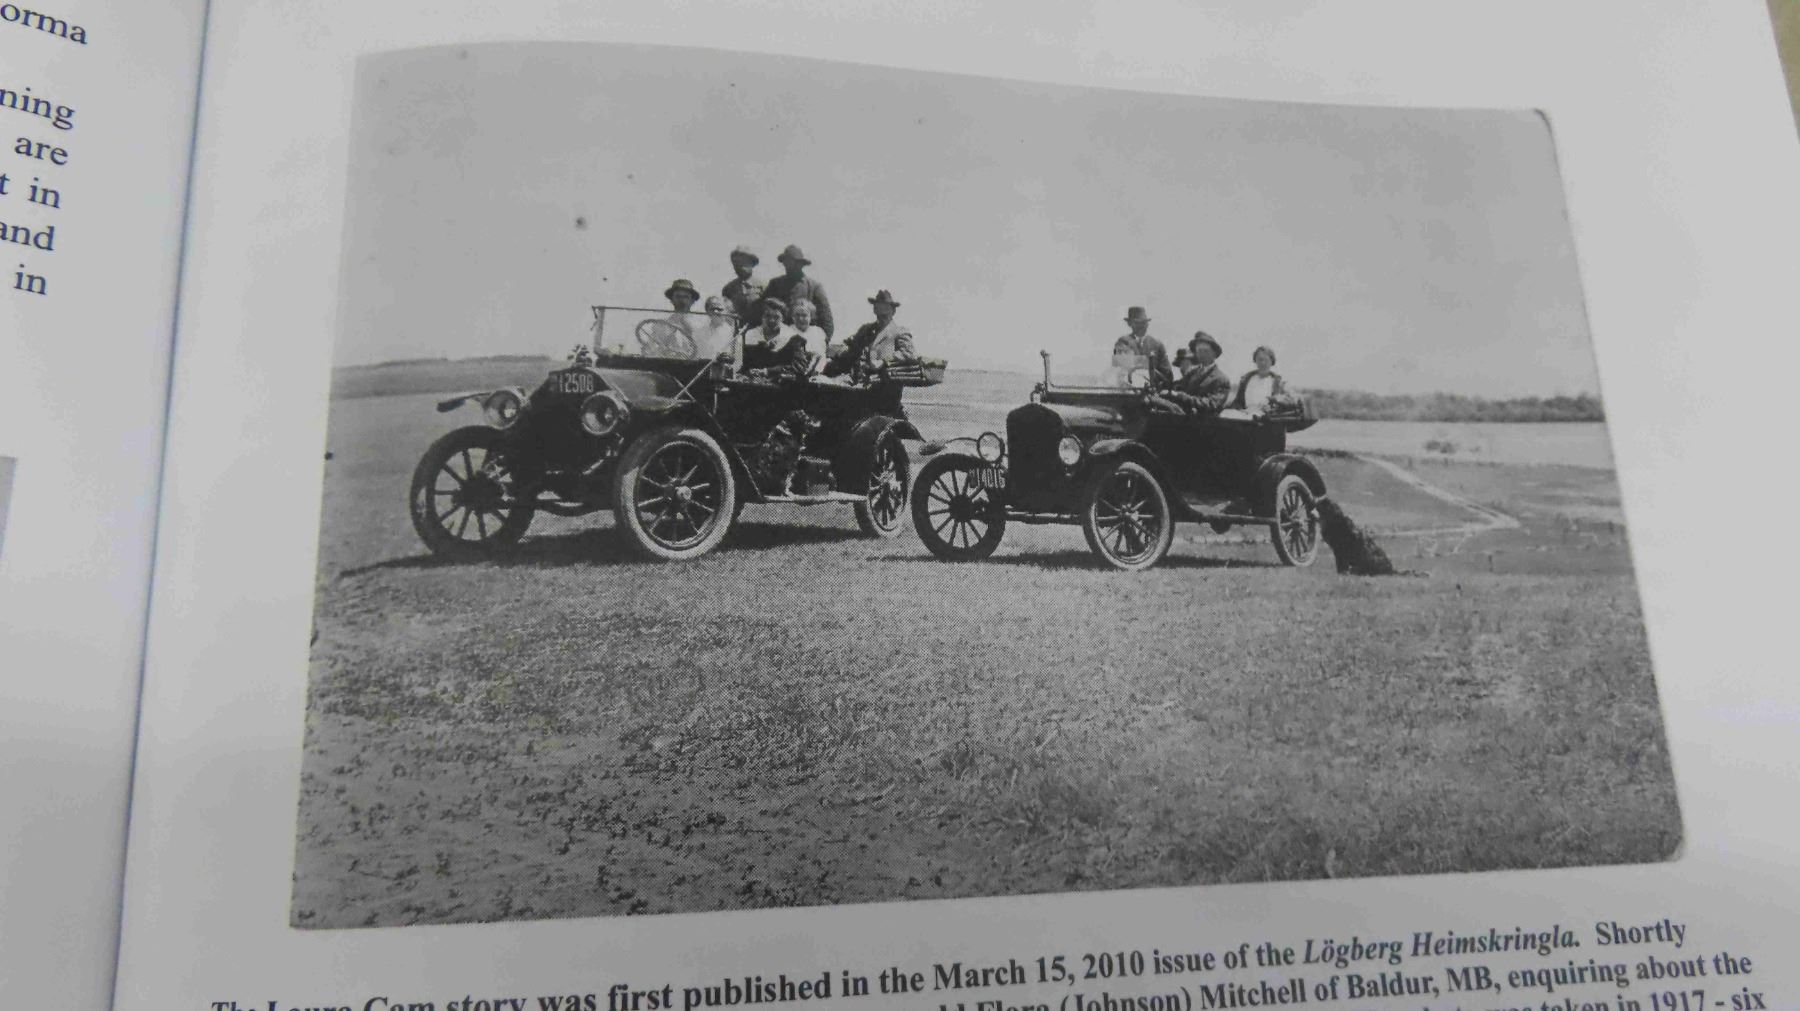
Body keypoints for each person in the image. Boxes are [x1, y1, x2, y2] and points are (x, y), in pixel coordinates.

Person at [825, 289, 918, 380]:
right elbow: (848, 345)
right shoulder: (865, 330)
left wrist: (884, 361)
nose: (881, 318)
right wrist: (826, 349)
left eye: (885, 314)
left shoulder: (900, 332)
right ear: (874, 310)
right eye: (878, 312)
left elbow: (909, 354)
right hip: (855, 380)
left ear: (893, 311)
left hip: (882, 383)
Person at [761, 244, 834, 339]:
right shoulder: (775, 284)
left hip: (806, 339)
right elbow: (762, 309)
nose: (789, 265)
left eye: (793, 262)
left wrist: (821, 342)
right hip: (779, 340)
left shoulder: (814, 287)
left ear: (801, 264)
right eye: (786, 262)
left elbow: (826, 320)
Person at [1163, 331, 1232, 415]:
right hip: (1185, 416)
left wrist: (1180, 396)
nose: (1201, 354)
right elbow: (1178, 386)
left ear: (1215, 354)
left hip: (1206, 421)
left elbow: (1211, 404)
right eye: (1198, 351)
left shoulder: (1221, 379)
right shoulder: (1192, 373)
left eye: (1205, 351)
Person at [740, 298, 811, 379]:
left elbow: (799, 367)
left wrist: (767, 371)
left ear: (783, 318)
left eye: (776, 317)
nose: (771, 320)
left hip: (782, 384)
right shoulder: (751, 334)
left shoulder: (794, 339)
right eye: (767, 316)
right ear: (762, 317)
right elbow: (745, 365)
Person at [1111, 306, 1173, 386]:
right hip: (1130, 388)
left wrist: (1153, 375)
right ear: (1129, 324)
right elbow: (1118, 368)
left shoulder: (1157, 345)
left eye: (1144, 322)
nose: (1142, 326)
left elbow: (1167, 374)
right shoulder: (1123, 342)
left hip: (1153, 389)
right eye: (1137, 323)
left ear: (1147, 324)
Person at [1231, 344, 1289, 416]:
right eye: (1260, 359)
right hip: (1244, 415)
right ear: (1255, 361)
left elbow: (1282, 405)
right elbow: (1238, 402)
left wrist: (1271, 409)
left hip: (1266, 418)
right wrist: (1240, 410)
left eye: (1266, 360)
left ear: (1272, 362)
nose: (1263, 363)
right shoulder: (1246, 379)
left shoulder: (1277, 383)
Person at [721, 245, 764, 329]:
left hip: (758, 331)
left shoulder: (764, 286)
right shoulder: (728, 289)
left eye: (744, 262)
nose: (739, 266)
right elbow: (726, 313)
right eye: (736, 263)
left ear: (752, 263)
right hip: (736, 330)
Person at [693, 296, 739, 360]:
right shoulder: (699, 333)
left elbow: (737, 358)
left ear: (726, 311)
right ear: (707, 311)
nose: (715, 311)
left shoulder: (733, 333)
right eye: (712, 309)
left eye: (719, 309)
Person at [788, 297, 829, 367]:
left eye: (804, 315)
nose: (800, 319)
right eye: (797, 315)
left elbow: (823, 354)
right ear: (792, 317)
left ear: (811, 317)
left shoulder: (818, 331)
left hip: (820, 369)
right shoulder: (788, 331)